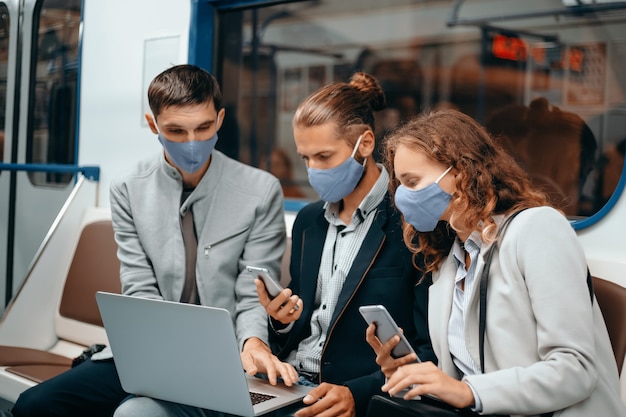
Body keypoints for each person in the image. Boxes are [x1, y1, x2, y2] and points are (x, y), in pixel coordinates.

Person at [11, 64, 295, 417]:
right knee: (34, 406)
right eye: (176, 130)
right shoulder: (129, 188)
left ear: (220, 119)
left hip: (228, 357)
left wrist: (253, 344)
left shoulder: (260, 190)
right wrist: (157, 357)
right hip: (152, 353)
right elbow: (138, 286)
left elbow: (253, 289)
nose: (193, 142)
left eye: (204, 128)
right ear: (153, 125)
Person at [365, 109, 626, 416]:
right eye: (400, 185)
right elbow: (462, 371)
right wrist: (405, 373)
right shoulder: (451, 257)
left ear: (459, 171)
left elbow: (575, 370)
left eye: (412, 182)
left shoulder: (537, 229)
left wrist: (467, 392)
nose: (400, 198)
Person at [254, 72, 435, 417]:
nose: (312, 170)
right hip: (287, 384)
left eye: (323, 156)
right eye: (305, 158)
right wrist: (281, 321)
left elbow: (430, 349)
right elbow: (305, 322)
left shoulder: (411, 222)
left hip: (348, 397)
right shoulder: (309, 221)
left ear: (364, 144)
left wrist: (358, 394)